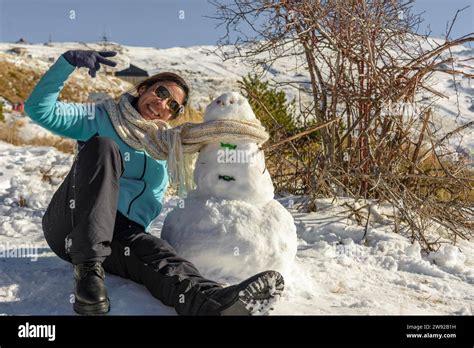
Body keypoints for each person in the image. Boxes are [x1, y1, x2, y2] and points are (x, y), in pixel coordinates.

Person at [24, 50, 284, 316]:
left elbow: (213, 142)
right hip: (72, 222)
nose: (162, 105)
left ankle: (212, 304)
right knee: (104, 147)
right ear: (144, 88)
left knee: (160, 255)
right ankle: (88, 274)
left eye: (173, 106)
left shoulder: (166, 145)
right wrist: (66, 64)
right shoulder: (100, 117)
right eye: (161, 93)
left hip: (121, 232)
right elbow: (39, 109)